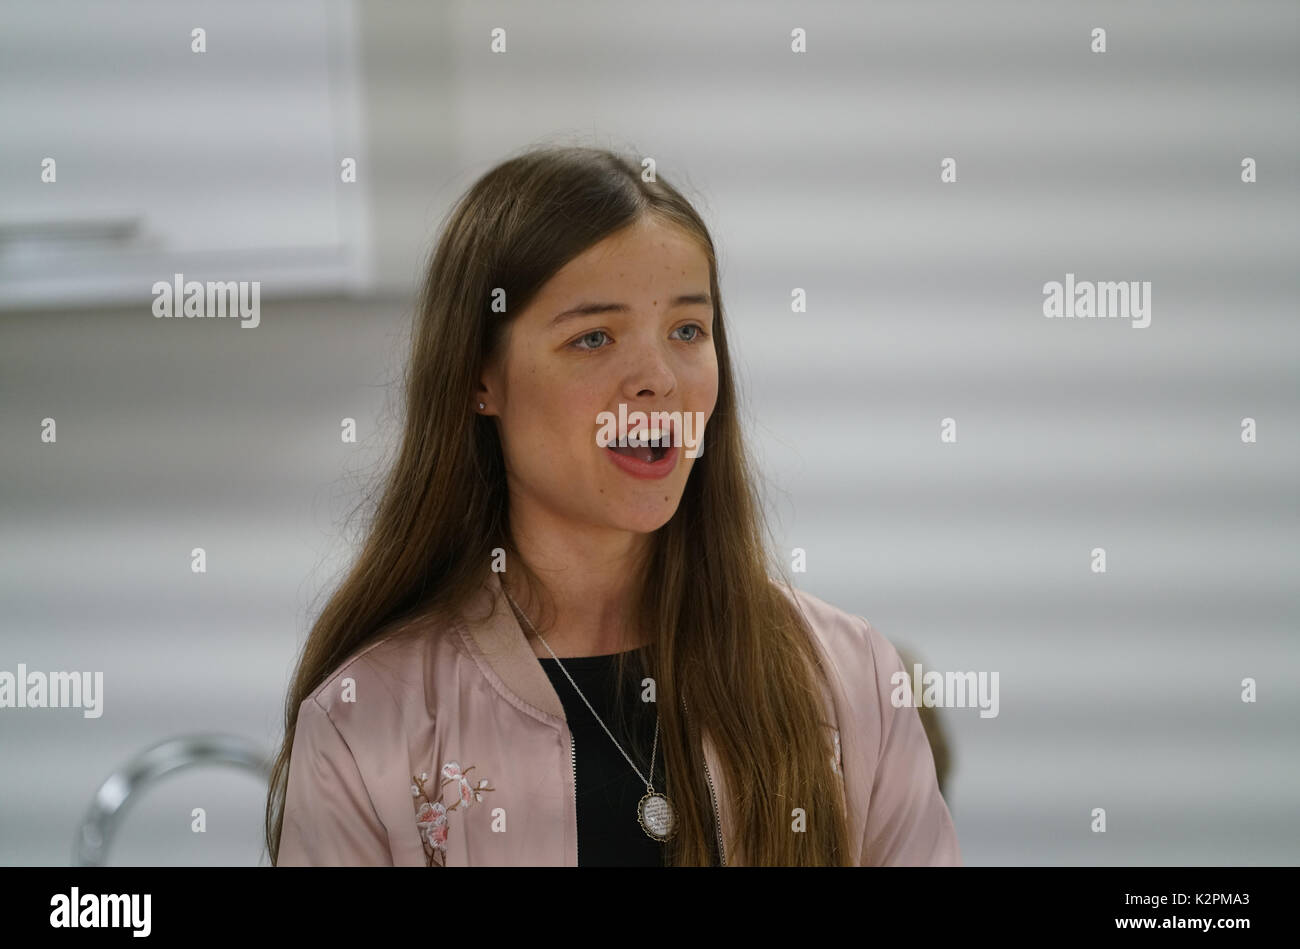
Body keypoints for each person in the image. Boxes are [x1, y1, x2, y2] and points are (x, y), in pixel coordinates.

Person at [266, 144, 961, 866]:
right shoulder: (366, 723)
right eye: (593, 337)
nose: (657, 378)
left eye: (688, 330)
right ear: (481, 378)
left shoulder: (852, 679)